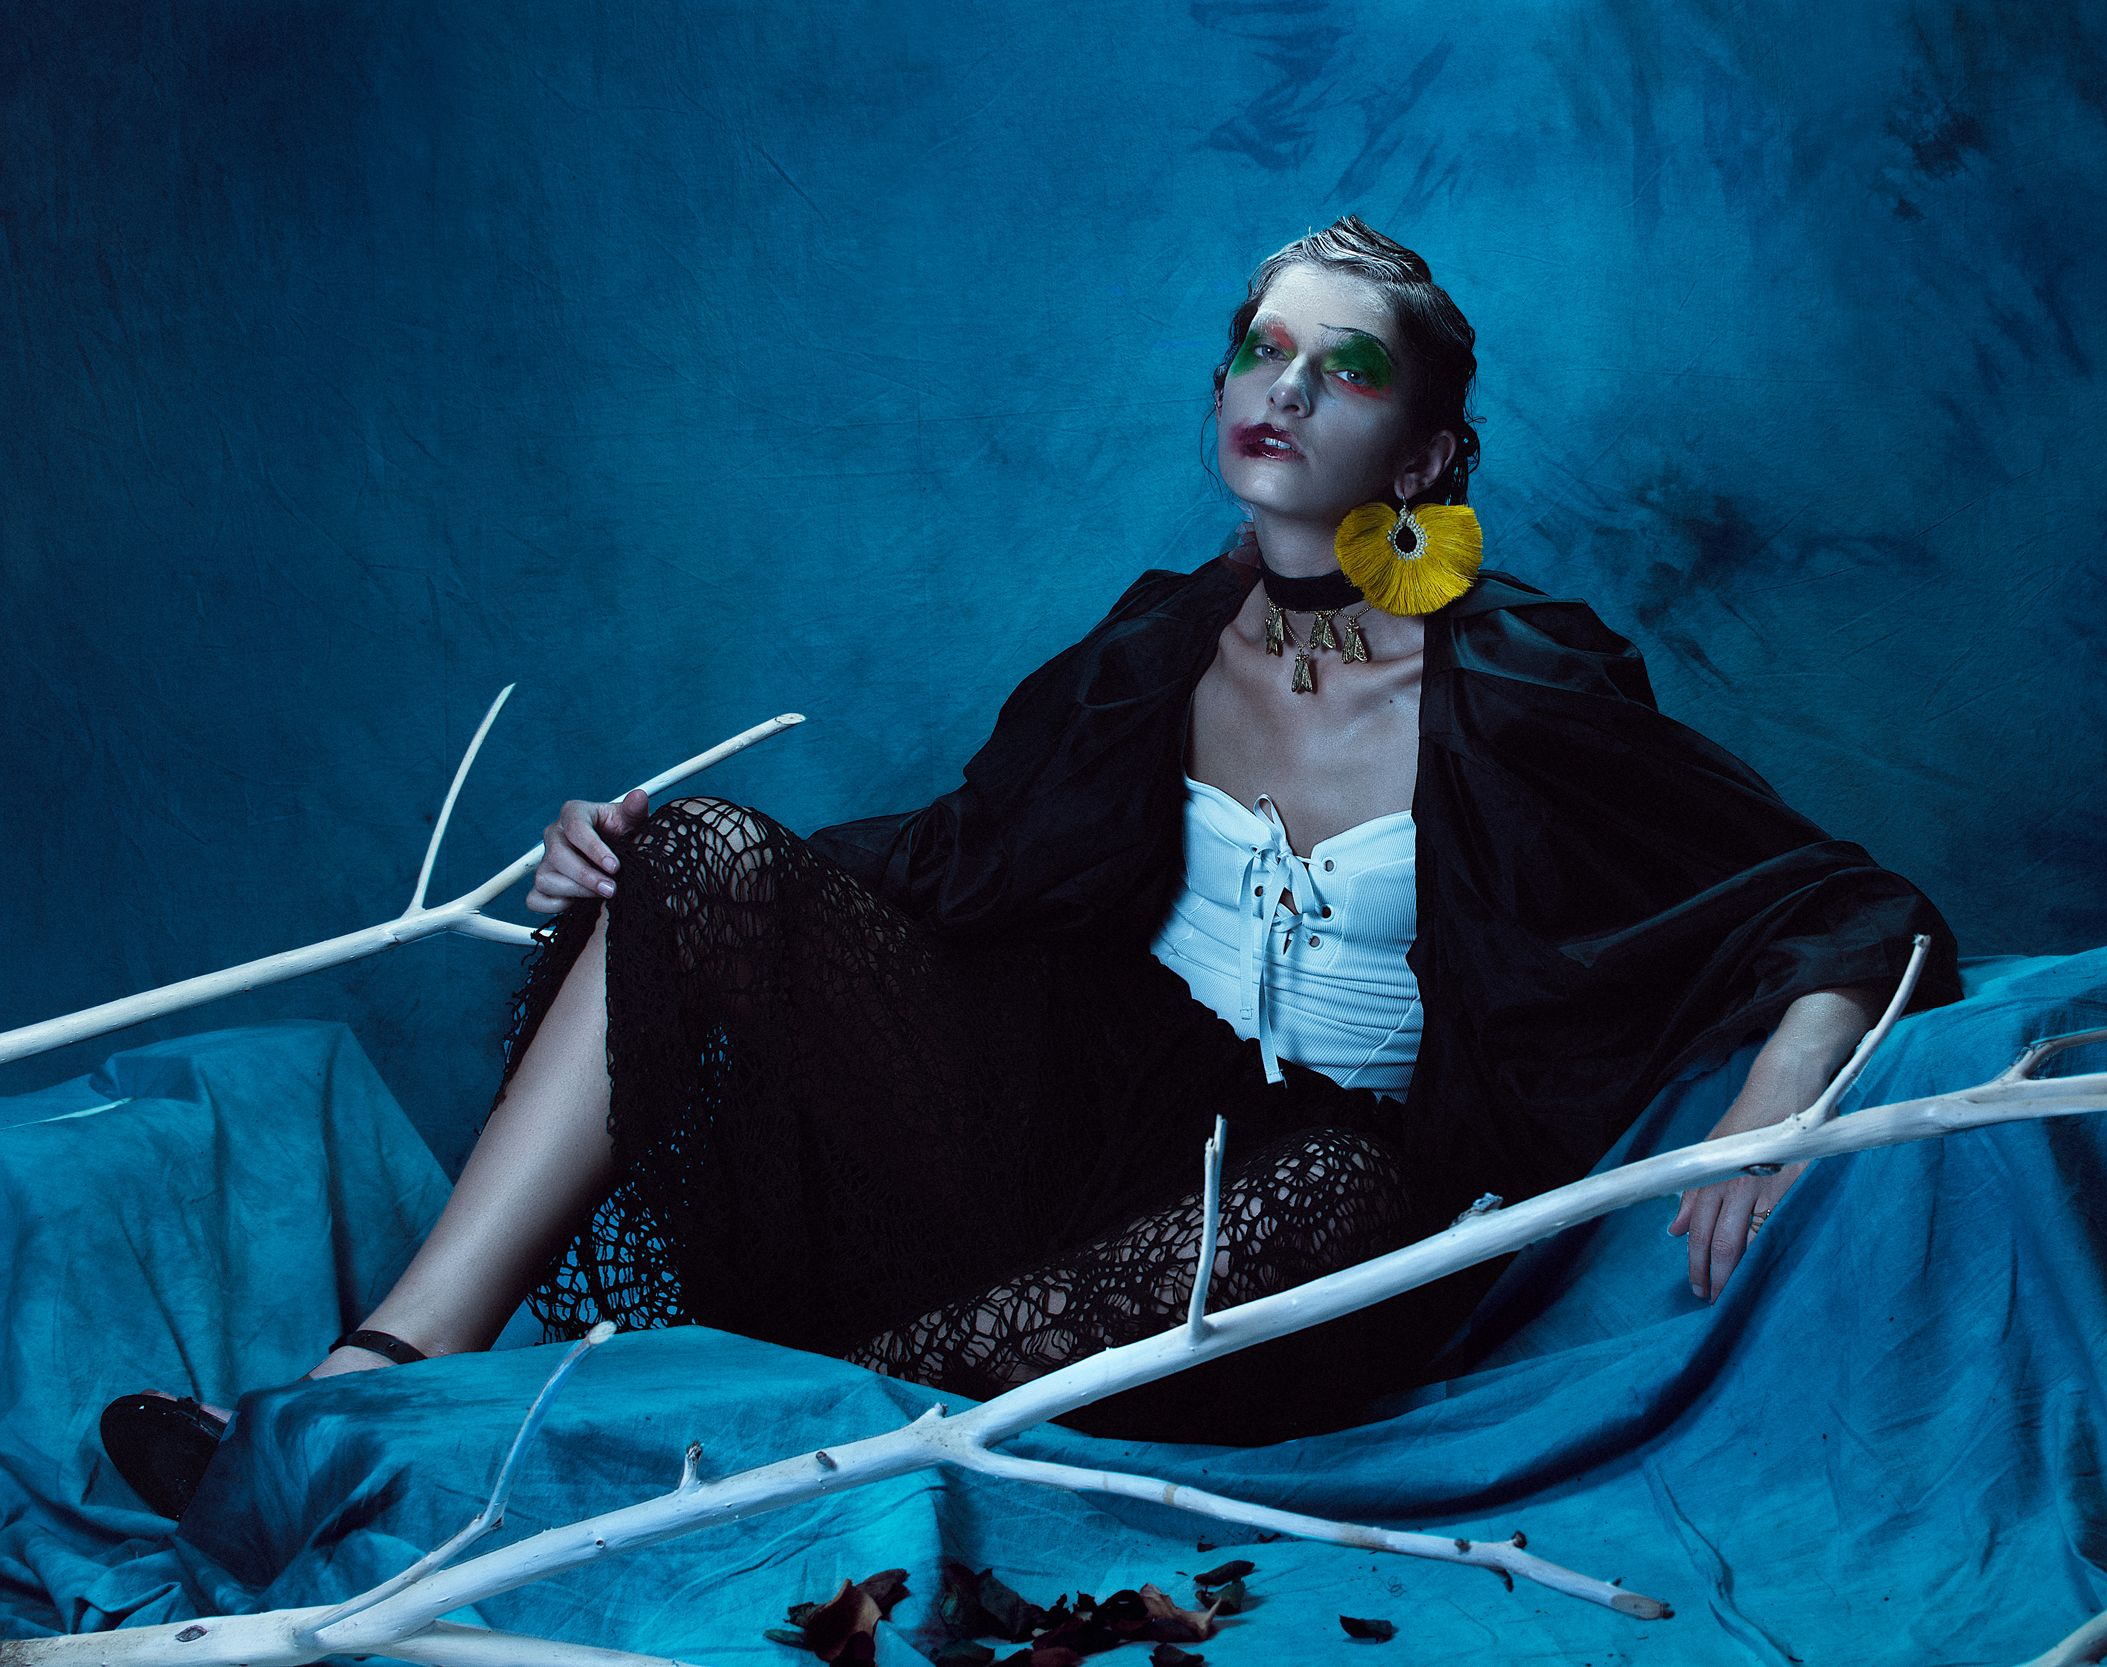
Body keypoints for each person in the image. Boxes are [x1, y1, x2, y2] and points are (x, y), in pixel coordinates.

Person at [100, 215, 1959, 1519]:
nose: (1285, 388)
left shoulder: (1524, 685)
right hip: (1077, 1104)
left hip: (1329, 1192)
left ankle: (680, 1452)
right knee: (706, 853)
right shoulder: (1157, 645)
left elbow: (1836, 902)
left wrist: (1778, 1091)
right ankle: (360, 1394)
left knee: (1319, 1203)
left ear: (1429, 450)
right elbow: (947, 868)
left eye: (1346, 368)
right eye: (1261, 348)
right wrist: (650, 880)